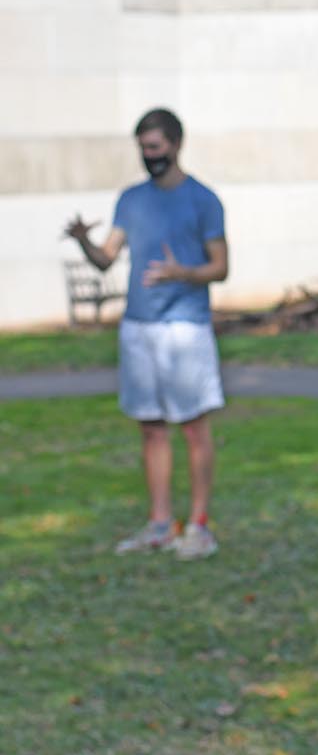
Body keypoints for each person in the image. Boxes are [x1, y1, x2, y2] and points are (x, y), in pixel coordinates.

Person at [64, 107, 228, 560]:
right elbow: (106, 258)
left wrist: (183, 272)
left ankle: (197, 525)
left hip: (185, 327)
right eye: (142, 148)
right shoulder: (131, 199)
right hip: (139, 326)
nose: (148, 156)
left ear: (176, 145)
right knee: (151, 428)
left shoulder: (203, 200)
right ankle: (159, 524)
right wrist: (82, 238)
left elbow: (221, 266)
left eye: (155, 147)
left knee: (193, 428)